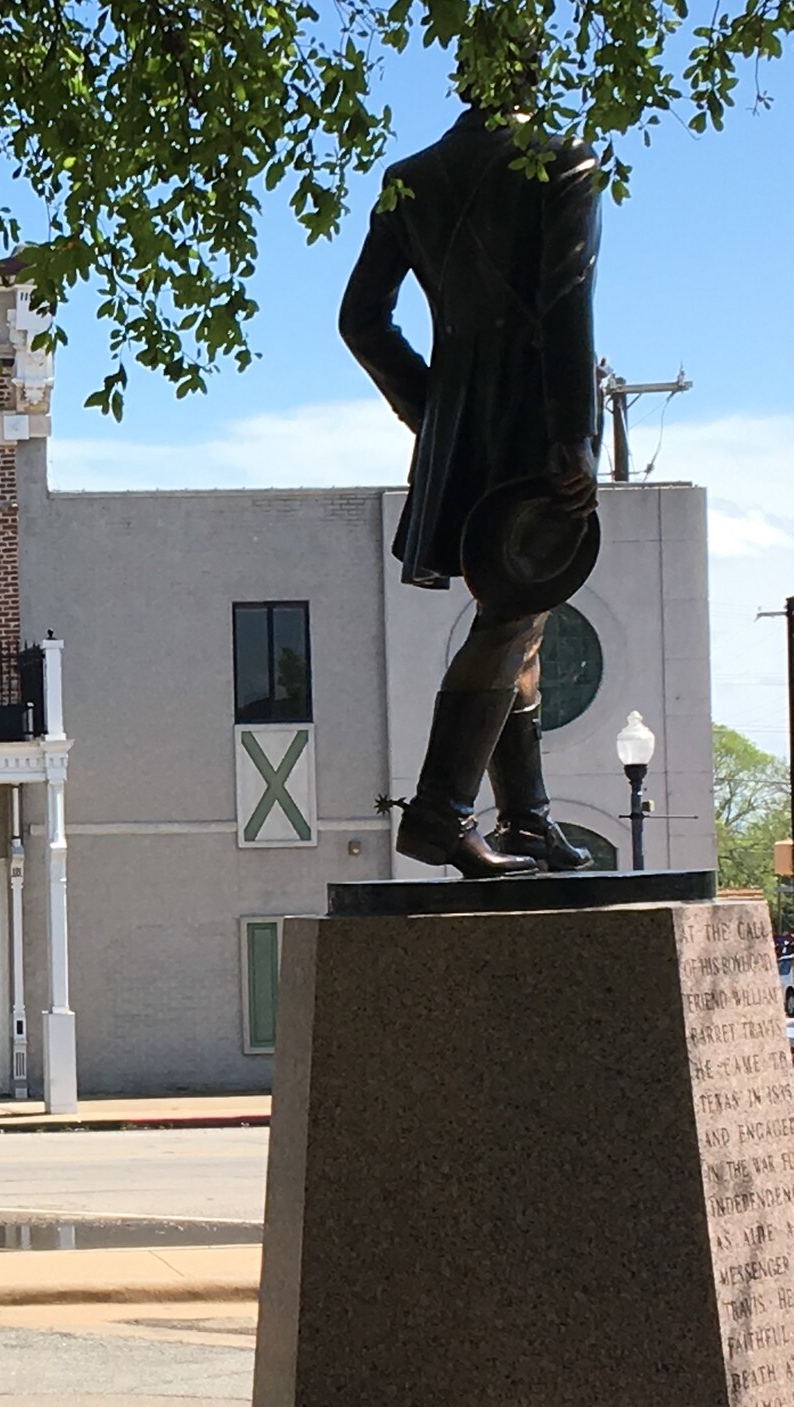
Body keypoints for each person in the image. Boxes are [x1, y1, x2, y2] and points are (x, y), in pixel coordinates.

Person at [340, 43, 602, 879]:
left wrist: (437, 410)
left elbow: (362, 322)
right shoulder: (565, 162)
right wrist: (577, 436)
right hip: (536, 423)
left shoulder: (409, 177)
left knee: (519, 616)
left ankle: (526, 820)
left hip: (459, 424)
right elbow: (566, 306)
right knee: (514, 613)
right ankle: (442, 815)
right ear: (534, 72)